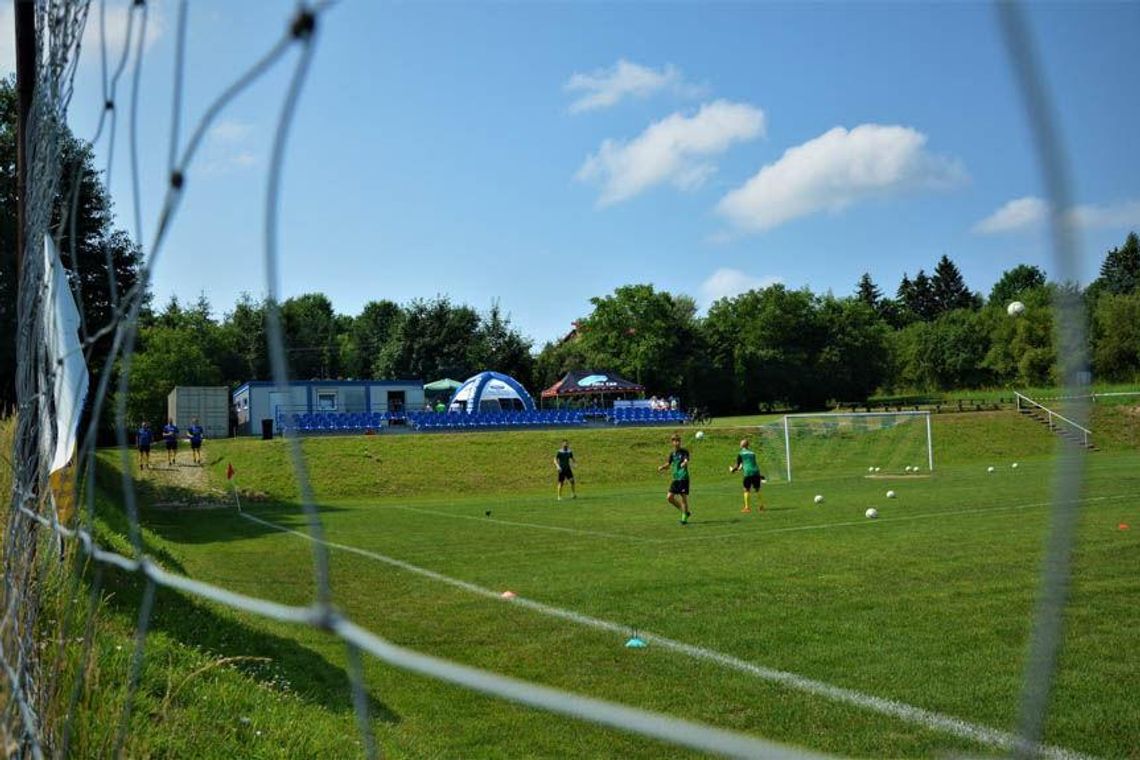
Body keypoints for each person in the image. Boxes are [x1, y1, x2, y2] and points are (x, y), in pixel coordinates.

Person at [657, 434, 691, 524]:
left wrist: (684, 463)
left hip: (683, 478)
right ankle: (685, 512)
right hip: (675, 478)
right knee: (669, 498)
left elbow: (686, 460)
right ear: (672, 442)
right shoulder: (672, 454)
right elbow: (668, 464)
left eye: (678, 441)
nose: (677, 443)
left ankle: (684, 519)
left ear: (680, 442)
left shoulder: (684, 452)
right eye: (675, 441)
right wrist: (662, 467)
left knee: (683, 498)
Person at [729, 437, 765, 513]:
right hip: (756, 471)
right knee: (757, 489)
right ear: (748, 445)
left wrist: (732, 470)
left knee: (746, 489)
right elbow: (751, 463)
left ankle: (747, 508)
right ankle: (761, 506)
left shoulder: (740, 454)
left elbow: (738, 465)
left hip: (748, 473)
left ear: (741, 445)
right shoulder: (752, 453)